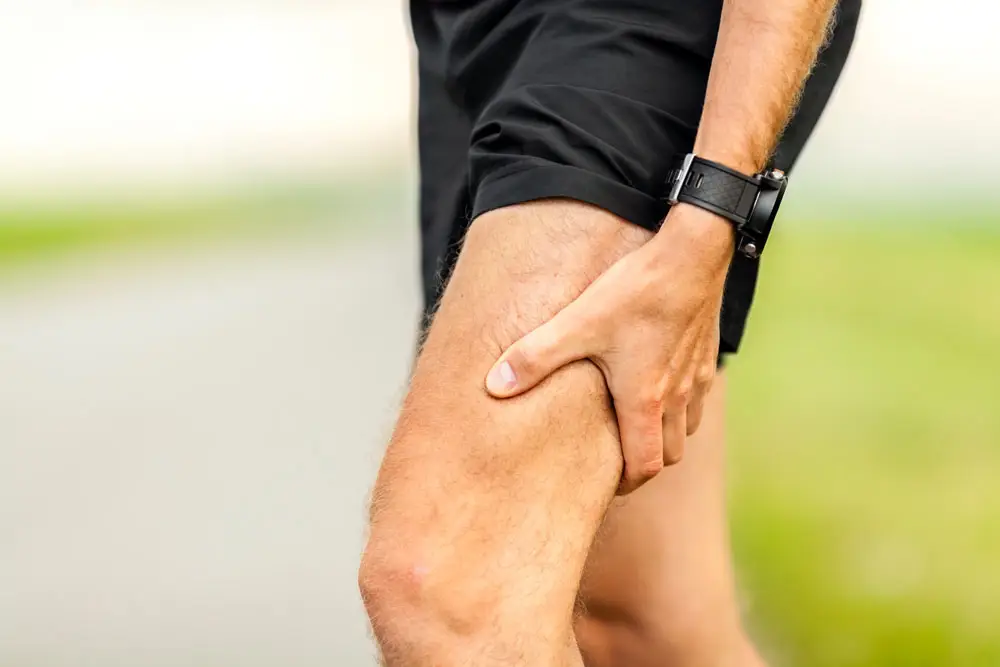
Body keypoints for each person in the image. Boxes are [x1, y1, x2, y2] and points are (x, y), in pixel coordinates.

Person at [359, 0, 860, 665]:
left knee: (447, 587)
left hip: (638, 22)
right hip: (467, 26)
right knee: (641, 624)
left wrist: (714, 206)